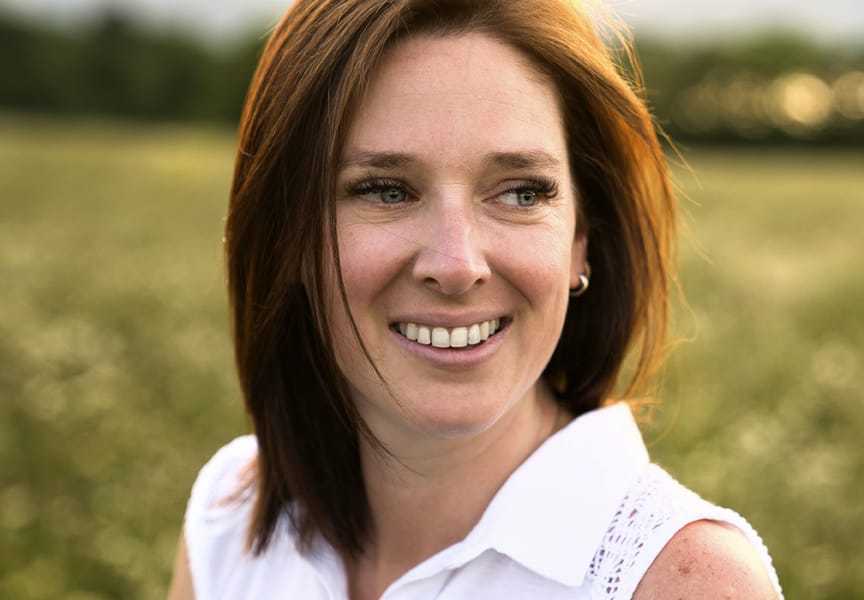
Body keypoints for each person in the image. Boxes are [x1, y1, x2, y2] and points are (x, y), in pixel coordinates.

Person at [167, 0, 782, 598]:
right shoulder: (231, 515)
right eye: (386, 191)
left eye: (519, 193)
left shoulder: (683, 581)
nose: (457, 266)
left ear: (580, 241)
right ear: (288, 238)